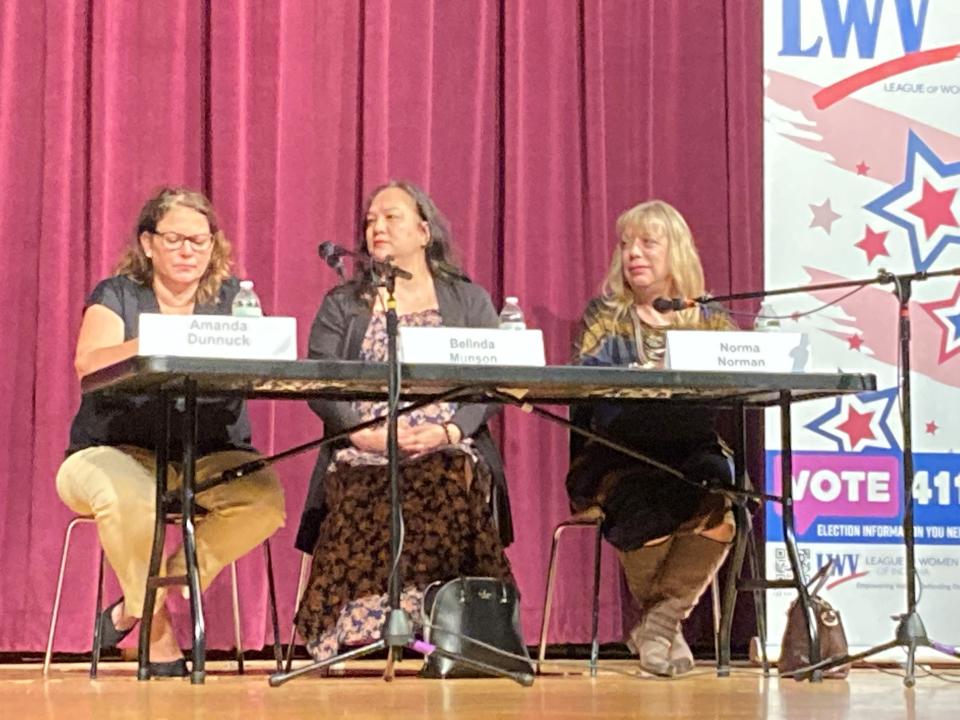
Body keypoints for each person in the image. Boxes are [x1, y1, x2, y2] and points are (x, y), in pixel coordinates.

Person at [56, 186, 286, 677]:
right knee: (131, 498)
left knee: (263, 499)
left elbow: (264, 361)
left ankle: (132, 607)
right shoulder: (117, 294)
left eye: (199, 242)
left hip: (208, 453)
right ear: (147, 243)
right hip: (111, 451)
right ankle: (156, 627)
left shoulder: (233, 299)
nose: (188, 252)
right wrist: (162, 339)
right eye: (176, 239)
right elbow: (88, 363)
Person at [294, 180, 515, 662]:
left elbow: (494, 379)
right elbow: (321, 379)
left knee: (445, 475)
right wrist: (364, 434)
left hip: (449, 440)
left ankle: (453, 624)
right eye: (370, 220)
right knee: (363, 481)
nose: (376, 227)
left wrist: (449, 431)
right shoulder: (343, 304)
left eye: (390, 217)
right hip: (364, 442)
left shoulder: (468, 300)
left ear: (423, 230)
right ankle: (358, 629)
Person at [568, 199, 736, 677]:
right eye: (626, 245)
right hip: (618, 453)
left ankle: (659, 626)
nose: (633, 254)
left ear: (676, 252)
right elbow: (583, 380)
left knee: (723, 506)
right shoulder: (606, 315)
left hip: (692, 451)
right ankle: (665, 630)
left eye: (647, 243)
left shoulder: (709, 317)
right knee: (645, 507)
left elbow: (743, 373)